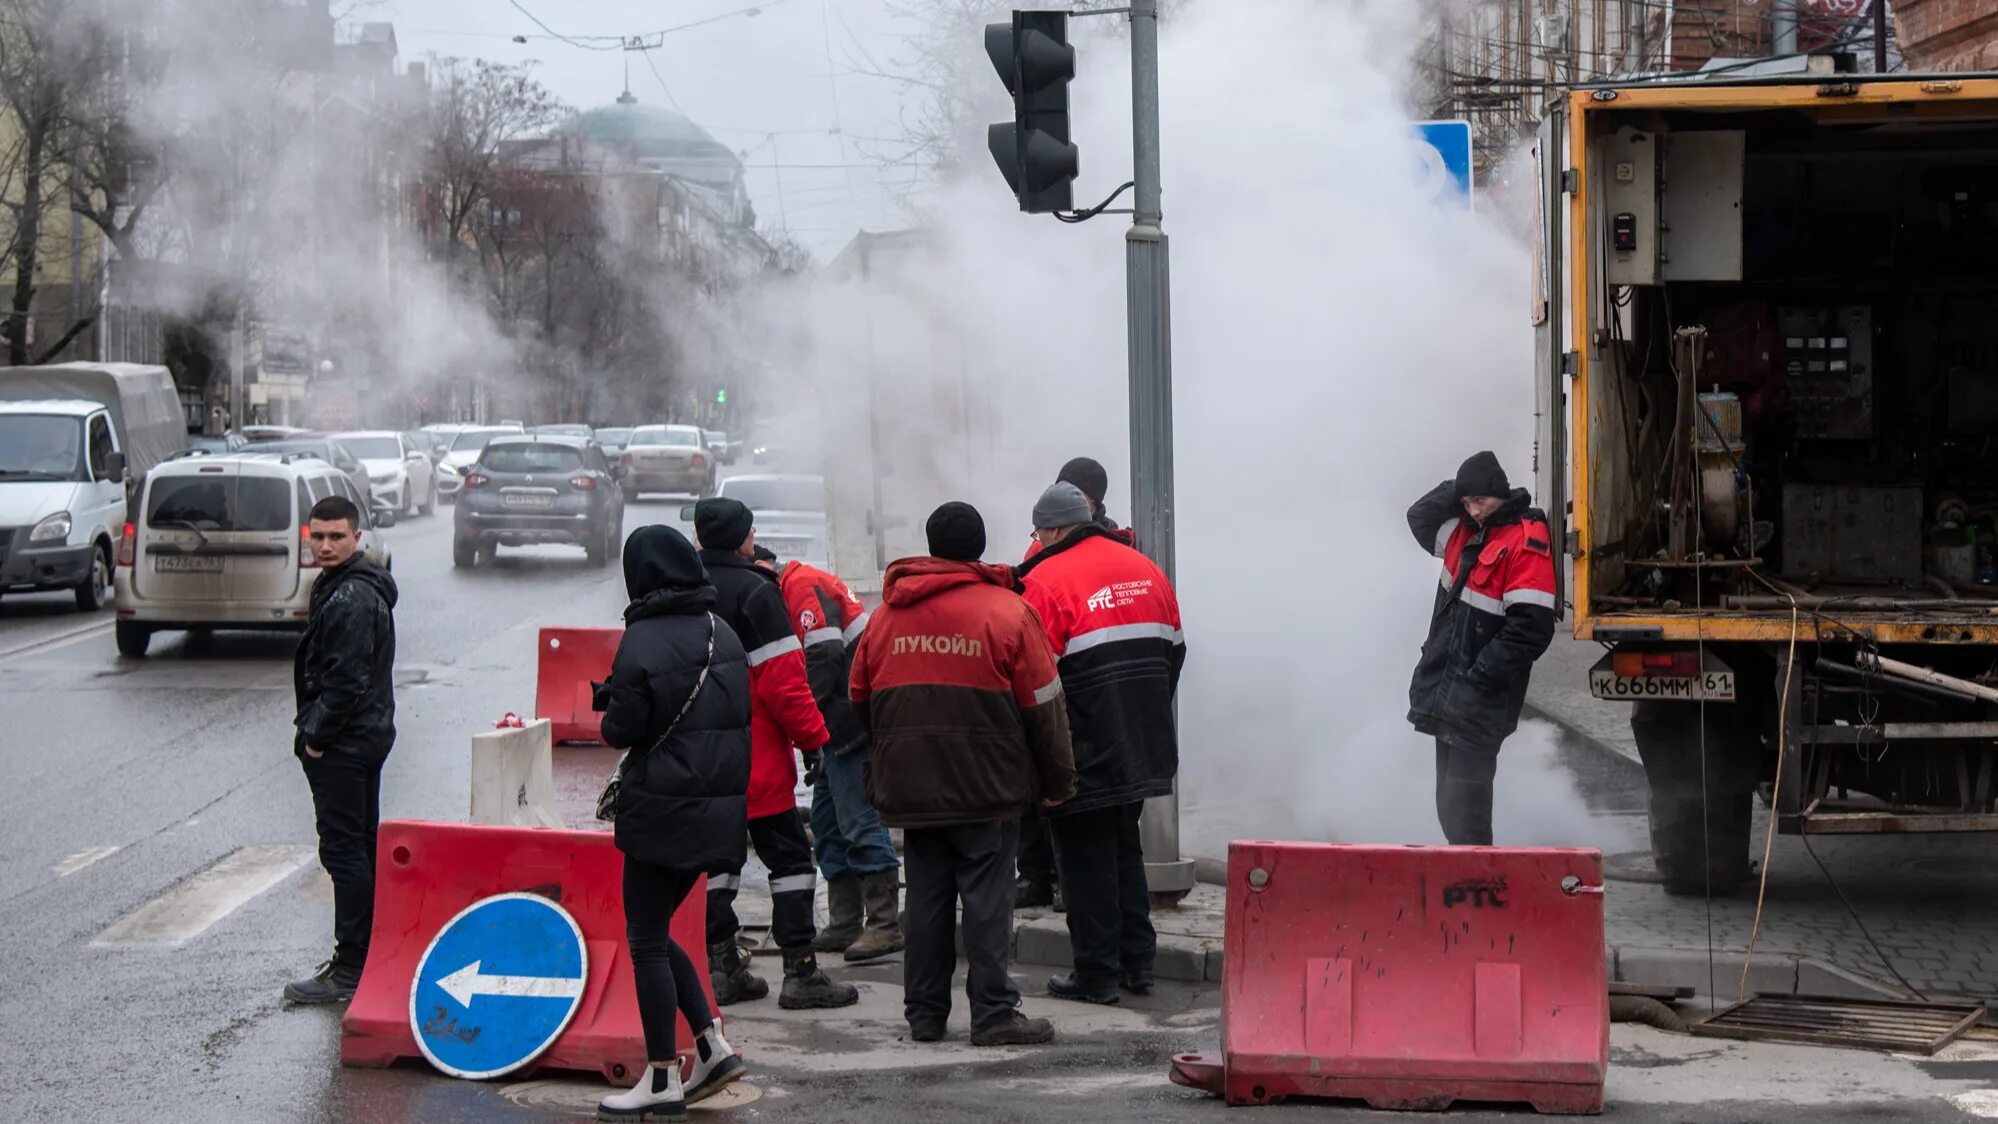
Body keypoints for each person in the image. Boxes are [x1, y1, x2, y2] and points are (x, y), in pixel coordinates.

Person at [849, 501, 1076, 1046]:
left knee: (924, 901)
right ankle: (993, 1013)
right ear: (980, 547)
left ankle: (925, 1015)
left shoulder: (885, 617)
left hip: (911, 789)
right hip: (987, 789)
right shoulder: (1008, 613)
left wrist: (892, 754)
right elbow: (1045, 709)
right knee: (986, 903)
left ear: (931, 547)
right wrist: (1057, 784)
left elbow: (859, 699)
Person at [594, 525, 750, 1117]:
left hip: (662, 809)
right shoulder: (723, 631)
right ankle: (712, 1046)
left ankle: (662, 1076)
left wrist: (610, 700)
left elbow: (622, 729)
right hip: (717, 810)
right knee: (656, 929)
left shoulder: (642, 640)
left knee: (645, 941)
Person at [1016, 482, 1185, 1006]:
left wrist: (1039, 756)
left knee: (1085, 860)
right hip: (1142, 739)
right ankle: (1139, 963)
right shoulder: (1143, 566)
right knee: (1122, 848)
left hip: (1083, 745)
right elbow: (1175, 651)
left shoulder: (1043, 580)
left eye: (1039, 533)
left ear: (1054, 530)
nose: (1038, 542)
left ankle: (1096, 975)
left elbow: (1034, 680)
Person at [690, 498, 857, 1010]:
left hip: (697, 763)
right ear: (744, 539)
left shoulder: (683, 590)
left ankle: (721, 965)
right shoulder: (757, 593)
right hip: (754, 757)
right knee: (789, 860)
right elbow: (785, 684)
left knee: (714, 862)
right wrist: (814, 739)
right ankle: (800, 971)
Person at [750, 544, 903, 962]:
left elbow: (823, 653)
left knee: (857, 820)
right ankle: (845, 920)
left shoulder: (799, 585)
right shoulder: (794, 585)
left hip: (848, 722)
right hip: (836, 725)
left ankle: (885, 925)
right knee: (828, 823)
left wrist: (805, 719)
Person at [1404, 451, 1558, 846]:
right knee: (1449, 804)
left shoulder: (1526, 540)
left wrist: (1479, 680)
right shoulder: (1463, 531)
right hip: (1450, 694)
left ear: (1500, 494)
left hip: (1478, 698)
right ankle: (1467, 885)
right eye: (1467, 503)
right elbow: (1419, 517)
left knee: (1465, 807)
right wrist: (1457, 491)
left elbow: (1532, 630)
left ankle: (1477, 890)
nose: (1474, 511)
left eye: (1481, 501)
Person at [284, 495, 398, 1005]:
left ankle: (352, 966)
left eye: (336, 536)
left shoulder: (350, 597)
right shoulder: (344, 586)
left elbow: (346, 683)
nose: (325, 545)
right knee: (360, 848)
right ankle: (366, 955)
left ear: (356, 538)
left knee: (344, 852)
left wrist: (316, 738)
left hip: (347, 743)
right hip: (363, 738)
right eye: (318, 536)